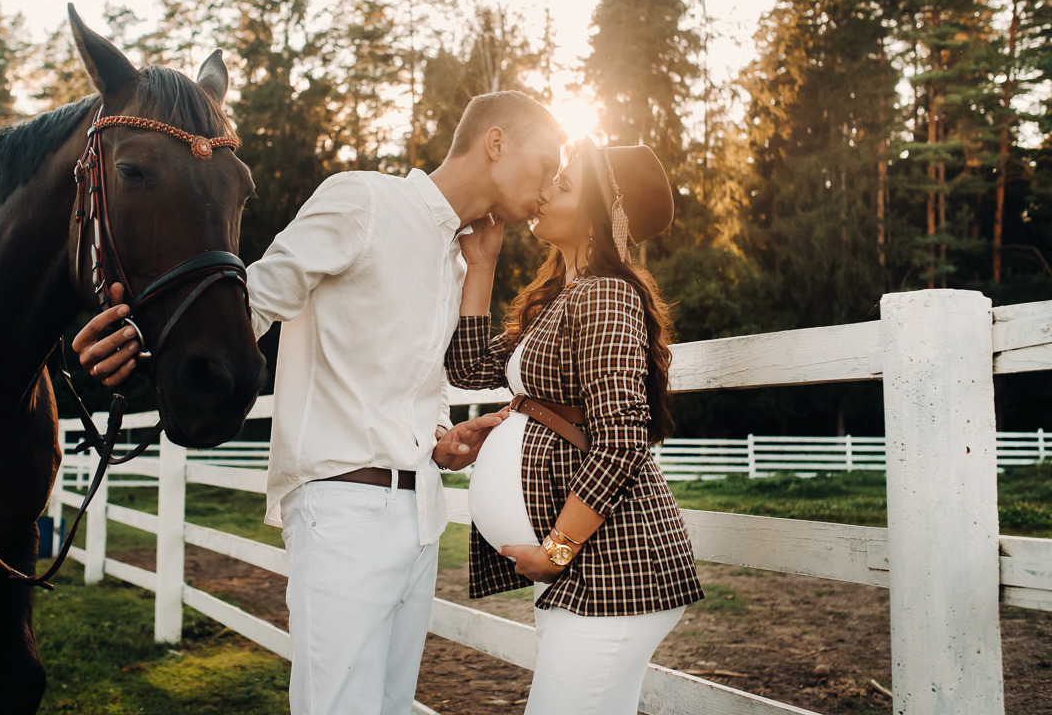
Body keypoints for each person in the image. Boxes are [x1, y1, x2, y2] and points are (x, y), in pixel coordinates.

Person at [73, 91, 568, 715]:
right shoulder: (363, 200)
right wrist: (140, 345)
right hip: (343, 509)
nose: (552, 181)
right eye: (547, 160)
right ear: (496, 143)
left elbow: (410, 379)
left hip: (419, 518)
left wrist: (442, 436)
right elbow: (251, 302)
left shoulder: (456, 253)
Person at [443, 136, 704, 715]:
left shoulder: (607, 294)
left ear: (603, 209)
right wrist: (481, 263)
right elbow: (467, 368)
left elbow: (621, 437)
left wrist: (558, 549)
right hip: (583, 570)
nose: (542, 194)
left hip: (614, 564)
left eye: (562, 186)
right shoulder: (563, 297)